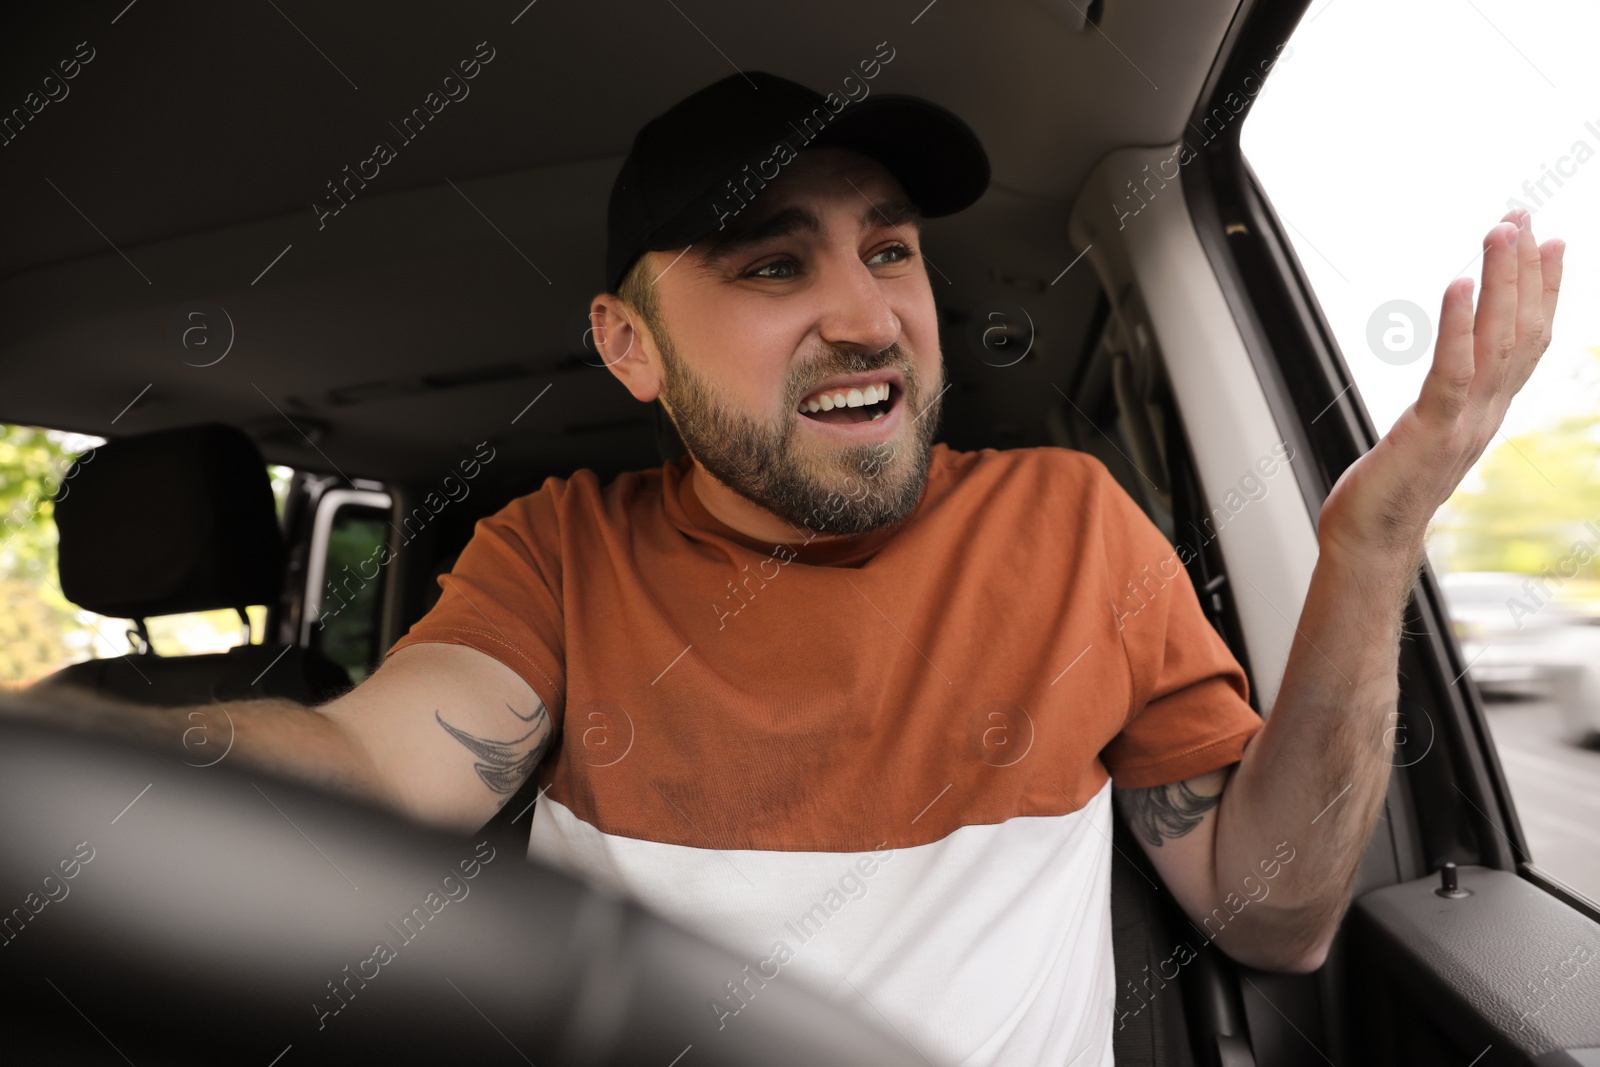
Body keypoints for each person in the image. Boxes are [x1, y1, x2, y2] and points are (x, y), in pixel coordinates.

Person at [23, 70, 1565, 1067]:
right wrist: (55, 763)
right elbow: (368, 770)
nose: (865, 310)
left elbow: (1278, 918)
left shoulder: (1073, 525)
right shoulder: (559, 556)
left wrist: (1370, 549)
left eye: (888, 249)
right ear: (629, 345)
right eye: (773, 263)